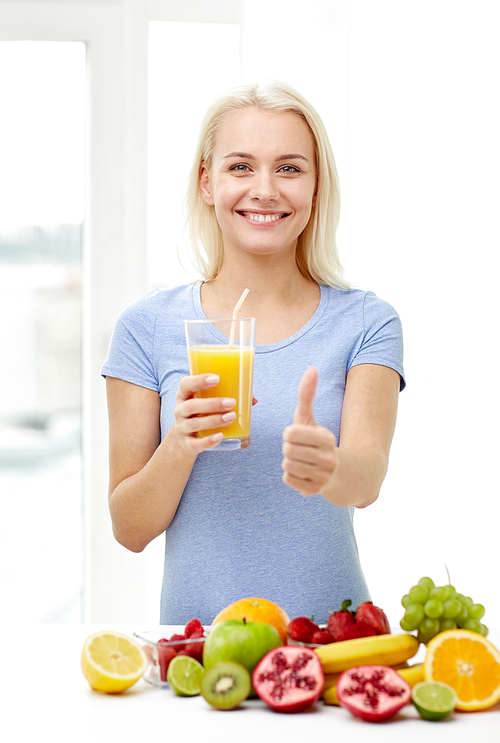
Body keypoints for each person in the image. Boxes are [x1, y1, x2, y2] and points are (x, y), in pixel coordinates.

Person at [101, 80, 405, 625]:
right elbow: (129, 529)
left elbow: (368, 482)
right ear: (207, 182)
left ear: (316, 188)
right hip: (199, 659)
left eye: (289, 168)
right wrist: (180, 445)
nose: (264, 190)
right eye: (240, 167)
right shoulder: (146, 327)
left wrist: (329, 465)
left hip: (329, 651)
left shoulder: (366, 322)